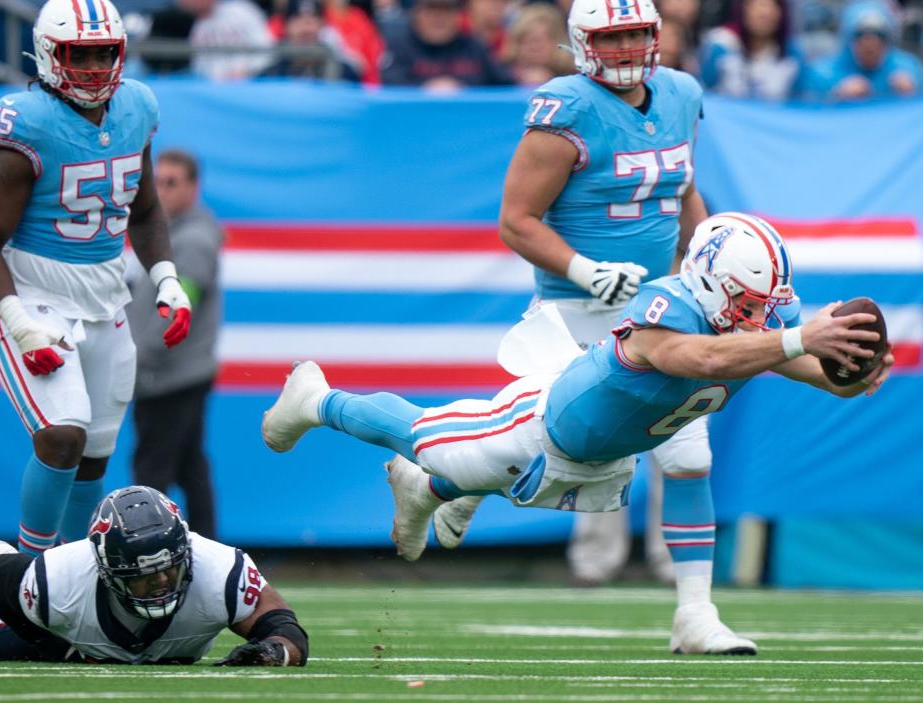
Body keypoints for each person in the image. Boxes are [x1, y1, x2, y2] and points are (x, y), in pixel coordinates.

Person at [261, 213, 893, 654]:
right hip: (540, 423)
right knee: (428, 436)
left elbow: (805, 368)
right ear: (708, 282)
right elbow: (698, 361)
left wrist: (851, 372)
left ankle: (428, 490)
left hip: (605, 451)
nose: (762, 316)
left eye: (768, 305)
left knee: (501, 480)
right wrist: (797, 335)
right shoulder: (666, 304)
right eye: (750, 303)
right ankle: (318, 397)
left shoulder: (752, 317)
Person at [443, 0, 712, 617]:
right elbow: (516, 221)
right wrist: (584, 269)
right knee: (560, 452)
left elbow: (683, 189)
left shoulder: (681, 94)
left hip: (661, 305)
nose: (626, 49)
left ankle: (696, 609)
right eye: (611, 37)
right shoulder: (567, 109)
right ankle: (449, 480)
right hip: (576, 311)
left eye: (637, 34)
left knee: (689, 452)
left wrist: (702, 264)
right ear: (583, 42)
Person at [0, 0, 193, 557]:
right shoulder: (28, 121)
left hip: (107, 295)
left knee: (93, 453)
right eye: (79, 53)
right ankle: (30, 569)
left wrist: (165, 277)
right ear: (48, 54)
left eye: (104, 52)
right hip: (35, 295)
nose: (93, 66)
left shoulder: (136, 106)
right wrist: (18, 324)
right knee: (61, 435)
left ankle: (75, 567)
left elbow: (141, 210)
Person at [0, 485, 308, 665]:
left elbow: (285, 629)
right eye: (142, 575)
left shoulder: (219, 571)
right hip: (63, 623)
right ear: (107, 570)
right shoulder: (58, 581)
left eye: (169, 568)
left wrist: (273, 652)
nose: (160, 581)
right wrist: (52, 640)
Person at [128, 150, 223, 540]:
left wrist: (139, 355)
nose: (162, 190)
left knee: (153, 473)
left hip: (168, 375)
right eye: (157, 181)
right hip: (179, 372)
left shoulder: (193, 240)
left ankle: (149, 548)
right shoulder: (168, 231)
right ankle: (210, 550)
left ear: (193, 187)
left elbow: (180, 303)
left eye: (172, 182)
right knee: (189, 467)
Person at [803, 0, 923, 100]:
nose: (870, 43)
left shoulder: (909, 68)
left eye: (879, 35)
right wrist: (836, 95)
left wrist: (912, 93)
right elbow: (808, 114)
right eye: (860, 35)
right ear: (847, 39)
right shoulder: (823, 73)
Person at [380, 0, 514, 88]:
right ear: (416, 15)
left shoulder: (474, 45)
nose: (438, 19)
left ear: (458, 16)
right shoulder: (399, 46)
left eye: (446, 12)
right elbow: (386, 84)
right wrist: (426, 88)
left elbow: (504, 83)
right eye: (431, 12)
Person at [699, 0, 806, 100]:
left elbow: (799, 102)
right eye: (757, 4)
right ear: (743, 9)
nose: (764, 12)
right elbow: (704, 94)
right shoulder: (721, 44)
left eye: (771, 5)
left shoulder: (792, 54)